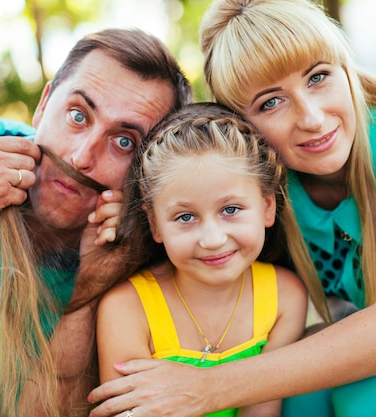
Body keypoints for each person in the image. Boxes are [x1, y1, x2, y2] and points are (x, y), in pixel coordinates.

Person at [86, 1, 376, 416]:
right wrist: (145, 210)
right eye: (270, 102)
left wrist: (205, 387)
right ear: (244, 125)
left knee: (375, 395)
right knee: (301, 397)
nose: (311, 117)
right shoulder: (273, 189)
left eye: (317, 77)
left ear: (345, 68)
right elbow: (199, 201)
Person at [0, 28, 191, 417]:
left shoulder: (142, 238)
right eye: (77, 115)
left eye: (124, 142)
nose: (82, 156)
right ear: (43, 104)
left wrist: (91, 287)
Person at [95, 102, 330, 417]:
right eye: (186, 216)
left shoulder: (284, 296)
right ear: (155, 225)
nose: (213, 239)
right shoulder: (127, 308)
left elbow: (261, 412)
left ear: (267, 208)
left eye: (230, 209)